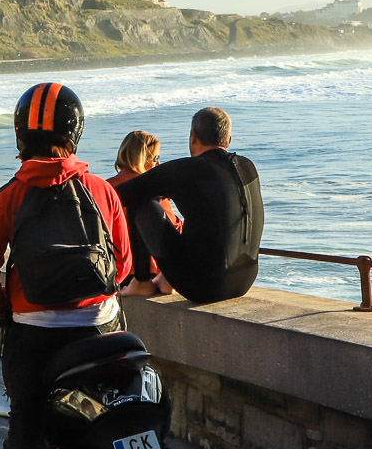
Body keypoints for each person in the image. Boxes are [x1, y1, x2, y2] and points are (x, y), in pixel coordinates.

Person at [0, 82, 131, 449]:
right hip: (100, 330)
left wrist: (5, 309)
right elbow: (123, 266)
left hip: (34, 334)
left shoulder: (8, 198)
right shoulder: (101, 190)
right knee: (117, 409)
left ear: (21, 134)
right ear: (75, 132)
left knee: (23, 425)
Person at [112, 107, 264, 305]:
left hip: (202, 287)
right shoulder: (247, 166)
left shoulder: (186, 169)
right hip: (244, 281)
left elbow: (119, 195)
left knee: (141, 200)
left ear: (193, 137)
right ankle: (166, 278)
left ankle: (141, 282)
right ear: (228, 141)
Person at [108, 130, 178, 296]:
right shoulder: (152, 191)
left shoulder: (107, 188)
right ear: (142, 159)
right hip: (149, 273)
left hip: (116, 271)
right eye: (155, 158)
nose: (158, 163)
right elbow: (172, 227)